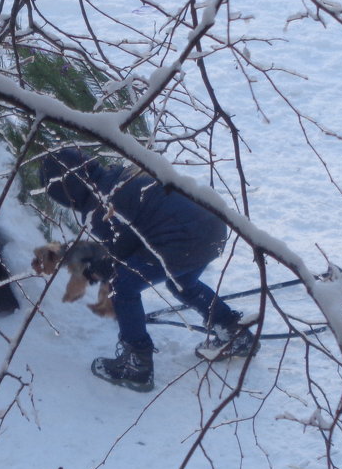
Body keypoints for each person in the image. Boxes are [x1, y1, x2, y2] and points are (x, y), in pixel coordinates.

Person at [39, 147, 257, 392]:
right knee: (181, 282)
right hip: (211, 228)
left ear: (64, 193)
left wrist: (89, 264)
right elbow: (131, 241)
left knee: (122, 287)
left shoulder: (99, 207)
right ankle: (232, 331)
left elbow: (121, 255)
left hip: (181, 240)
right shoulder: (120, 175)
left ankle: (137, 365)